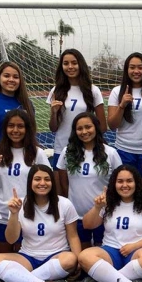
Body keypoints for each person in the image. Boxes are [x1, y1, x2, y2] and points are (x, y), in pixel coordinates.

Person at [0, 165, 80, 282]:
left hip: (57, 256)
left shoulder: (64, 204)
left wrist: (78, 260)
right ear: (30, 182)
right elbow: (11, 239)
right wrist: (14, 214)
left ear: (52, 182)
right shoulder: (19, 204)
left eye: (47, 179)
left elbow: (73, 236)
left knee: (70, 259)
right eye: (37, 179)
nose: (42, 183)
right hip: (28, 257)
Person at [78, 165, 142, 282]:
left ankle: (105, 278)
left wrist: (134, 246)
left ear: (136, 183)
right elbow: (87, 225)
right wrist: (97, 207)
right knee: (84, 256)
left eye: (129, 181)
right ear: (114, 184)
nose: (125, 185)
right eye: (120, 181)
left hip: (137, 251)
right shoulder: (107, 201)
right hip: (110, 251)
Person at [0, 109, 50, 254]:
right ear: (5, 128)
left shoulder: (38, 153)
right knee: (1, 261)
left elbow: (48, 184)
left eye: (20, 126)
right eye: (11, 126)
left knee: (23, 259)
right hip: (1, 213)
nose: (15, 130)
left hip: (29, 213)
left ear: (27, 128)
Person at [56, 112, 122, 249]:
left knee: (101, 254)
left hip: (104, 215)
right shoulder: (67, 152)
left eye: (88, 127)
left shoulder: (110, 153)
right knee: (81, 255)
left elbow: (119, 183)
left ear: (96, 128)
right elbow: (63, 184)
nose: (84, 132)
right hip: (76, 216)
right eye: (79, 128)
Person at [48, 49, 106, 194]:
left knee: (83, 192)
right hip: (62, 148)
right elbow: (53, 128)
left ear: (81, 64)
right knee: (61, 195)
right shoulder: (56, 91)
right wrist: (54, 113)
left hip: (85, 149)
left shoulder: (93, 91)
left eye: (74, 63)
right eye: (66, 63)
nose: (70, 67)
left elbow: (102, 126)